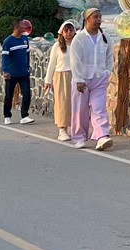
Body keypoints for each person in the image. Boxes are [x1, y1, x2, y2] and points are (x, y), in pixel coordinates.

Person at [68, 8, 114, 151]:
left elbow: (109, 57)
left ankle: (102, 136)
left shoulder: (105, 37)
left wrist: (107, 71)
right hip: (82, 79)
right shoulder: (79, 38)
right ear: (87, 19)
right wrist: (79, 79)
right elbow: (75, 60)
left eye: (100, 17)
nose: (99, 20)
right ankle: (79, 137)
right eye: (95, 17)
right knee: (80, 110)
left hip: (99, 78)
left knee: (99, 108)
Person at [44, 21, 76, 141]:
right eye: (66, 31)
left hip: (75, 76)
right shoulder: (57, 46)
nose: (68, 33)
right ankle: (62, 130)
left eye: (71, 30)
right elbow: (52, 64)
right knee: (62, 103)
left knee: (75, 103)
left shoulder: (77, 44)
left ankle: (75, 128)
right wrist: (48, 81)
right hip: (61, 76)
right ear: (61, 32)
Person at [1, 19, 35, 125]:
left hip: (23, 73)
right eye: (22, 25)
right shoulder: (8, 41)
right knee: (9, 95)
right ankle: (7, 116)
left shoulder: (25, 39)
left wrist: (28, 67)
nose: (25, 27)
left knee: (27, 94)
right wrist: (6, 71)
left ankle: (24, 115)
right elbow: (5, 57)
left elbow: (27, 54)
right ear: (17, 27)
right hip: (11, 74)